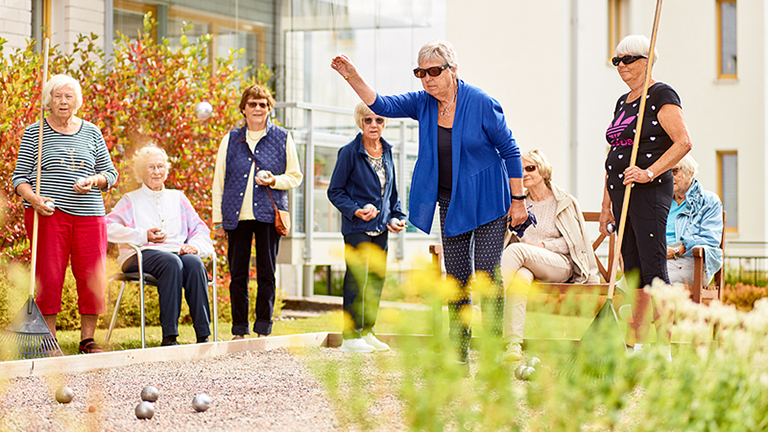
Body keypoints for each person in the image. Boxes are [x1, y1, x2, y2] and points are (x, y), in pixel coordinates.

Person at [332, 40, 527, 363]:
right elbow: (383, 104)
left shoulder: (480, 102)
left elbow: (510, 150)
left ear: (453, 70)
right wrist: (352, 76)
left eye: (434, 71)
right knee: (456, 278)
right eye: (420, 72)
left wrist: (518, 200)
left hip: (489, 201)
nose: (427, 79)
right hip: (451, 201)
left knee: (486, 274)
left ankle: (493, 353)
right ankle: (459, 352)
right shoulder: (423, 103)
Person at [599, 35, 692, 360]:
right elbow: (614, 152)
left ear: (648, 59)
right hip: (620, 192)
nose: (622, 66)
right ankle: (638, 344)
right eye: (617, 61)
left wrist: (649, 172)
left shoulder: (661, 94)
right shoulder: (623, 102)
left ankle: (663, 346)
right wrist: (606, 204)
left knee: (654, 267)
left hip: (649, 191)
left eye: (629, 59)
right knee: (634, 268)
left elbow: (682, 142)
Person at [11, 74, 118, 354]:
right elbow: (19, 178)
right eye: (57, 96)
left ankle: (87, 340)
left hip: (90, 215)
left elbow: (111, 174)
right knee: (49, 276)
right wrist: (33, 199)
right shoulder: (36, 132)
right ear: (48, 100)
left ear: (77, 101)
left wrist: (93, 181)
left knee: (91, 275)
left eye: (68, 96)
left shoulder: (92, 132)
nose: (62, 101)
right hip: (48, 215)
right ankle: (49, 341)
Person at [212, 84, 303, 339]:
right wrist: (218, 220)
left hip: (268, 216)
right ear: (243, 109)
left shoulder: (283, 137)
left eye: (263, 104)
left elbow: (295, 177)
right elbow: (218, 181)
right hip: (236, 217)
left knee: (267, 273)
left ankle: (263, 328)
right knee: (237, 274)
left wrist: (274, 180)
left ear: (269, 109)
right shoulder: (230, 139)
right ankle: (239, 330)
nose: (258, 108)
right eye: (252, 104)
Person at [106, 145, 214, 346]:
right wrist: (141, 235)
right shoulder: (131, 199)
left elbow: (200, 229)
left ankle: (203, 335)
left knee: (194, 263)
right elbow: (107, 228)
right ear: (140, 172)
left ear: (166, 170)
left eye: (160, 166)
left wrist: (195, 247)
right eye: (150, 167)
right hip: (139, 254)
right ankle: (169, 337)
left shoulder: (178, 198)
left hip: (175, 252)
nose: (156, 172)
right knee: (172, 262)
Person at [501, 150, 598, 361]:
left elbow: (574, 242)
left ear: (543, 171)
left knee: (516, 251)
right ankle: (513, 345)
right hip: (527, 263)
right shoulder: (518, 203)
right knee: (519, 279)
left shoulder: (564, 201)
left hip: (560, 265)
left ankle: (494, 296)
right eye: (520, 169)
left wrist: (543, 245)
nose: (525, 173)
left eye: (530, 168)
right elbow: (514, 240)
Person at [327, 103, 408, 353]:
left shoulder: (388, 152)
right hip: (357, 228)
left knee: (375, 282)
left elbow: (392, 192)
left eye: (379, 120)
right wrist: (355, 209)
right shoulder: (349, 152)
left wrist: (396, 216)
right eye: (368, 120)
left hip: (381, 229)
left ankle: (368, 331)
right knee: (356, 281)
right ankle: (350, 338)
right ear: (360, 123)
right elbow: (335, 191)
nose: (374, 125)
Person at [666, 155, 723, 285]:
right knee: (632, 277)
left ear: (690, 172)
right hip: (660, 259)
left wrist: (677, 251)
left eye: (674, 171)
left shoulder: (708, 201)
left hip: (693, 261)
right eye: (666, 172)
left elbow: (710, 239)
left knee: (648, 280)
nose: (670, 176)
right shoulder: (661, 202)